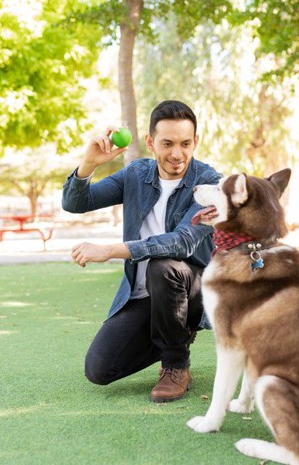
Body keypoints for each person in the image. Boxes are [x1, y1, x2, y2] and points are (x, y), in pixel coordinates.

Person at [61, 100, 222, 402]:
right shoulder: (136, 174)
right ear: (150, 142)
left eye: (186, 143)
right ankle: (175, 332)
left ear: (196, 142)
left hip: (193, 287)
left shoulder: (210, 182)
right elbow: (75, 203)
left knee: (163, 265)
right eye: (167, 143)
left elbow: (182, 242)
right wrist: (89, 163)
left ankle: (176, 364)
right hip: (144, 294)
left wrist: (111, 250)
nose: (177, 154)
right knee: (100, 370)